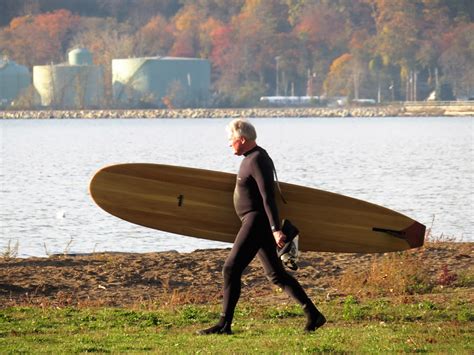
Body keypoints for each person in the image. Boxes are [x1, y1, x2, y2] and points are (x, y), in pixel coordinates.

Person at [198, 119, 325, 335]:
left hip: (256, 221)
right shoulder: (252, 158)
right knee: (276, 275)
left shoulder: (257, 159)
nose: (229, 144)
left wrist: (276, 229)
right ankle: (313, 315)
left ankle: (224, 324)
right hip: (254, 221)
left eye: (231, 139)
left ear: (242, 139)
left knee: (230, 269)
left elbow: (268, 198)